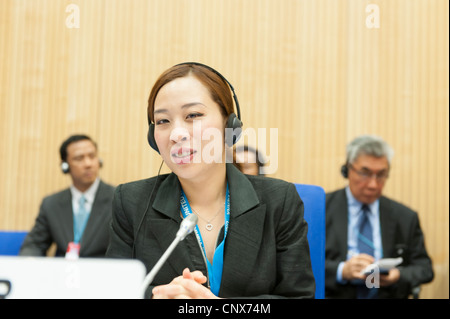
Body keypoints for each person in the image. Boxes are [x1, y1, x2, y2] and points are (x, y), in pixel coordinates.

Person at [106, 62, 315, 299]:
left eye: (193, 115)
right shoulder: (131, 202)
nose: (176, 134)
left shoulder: (280, 200)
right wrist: (155, 297)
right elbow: (114, 292)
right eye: (163, 121)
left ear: (230, 126)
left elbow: (298, 296)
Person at [325, 135, 433, 298]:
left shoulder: (405, 217)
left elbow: (424, 268)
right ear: (347, 170)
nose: (373, 184)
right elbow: (299, 264)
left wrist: (398, 275)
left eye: (381, 174)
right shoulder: (322, 208)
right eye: (365, 173)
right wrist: (342, 270)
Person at [20, 134, 115, 258]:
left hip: (102, 273)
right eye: (79, 158)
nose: (88, 164)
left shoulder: (118, 199)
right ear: (65, 166)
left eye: (92, 156)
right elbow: (34, 245)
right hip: (62, 274)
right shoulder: (51, 204)